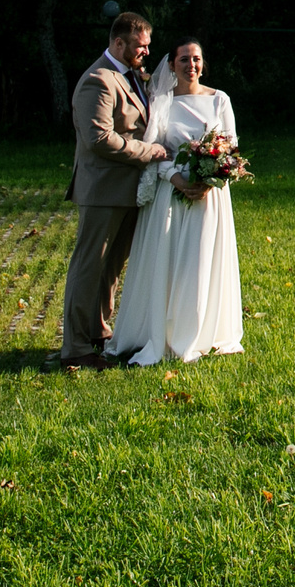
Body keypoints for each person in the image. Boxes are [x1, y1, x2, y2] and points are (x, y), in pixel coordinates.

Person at [109, 39, 245, 365]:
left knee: (199, 261)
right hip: (171, 193)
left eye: (196, 59)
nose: (191, 65)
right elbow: (154, 151)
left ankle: (198, 331)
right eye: (184, 59)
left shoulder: (219, 100)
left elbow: (231, 146)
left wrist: (213, 178)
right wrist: (178, 180)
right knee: (169, 262)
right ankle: (161, 331)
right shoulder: (162, 103)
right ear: (172, 65)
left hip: (209, 196)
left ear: (203, 62)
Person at [59, 11, 170, 371]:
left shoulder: (131, 76)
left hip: (127, 190)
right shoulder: (99, 80)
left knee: (110, 270)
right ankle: (74, 347)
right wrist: (147, 152)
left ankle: (98, 332)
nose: (146, 53)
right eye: (140, 46)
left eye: (148, 46)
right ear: (118, 42)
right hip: (103, 190)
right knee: (88, 267)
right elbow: (98, 139)